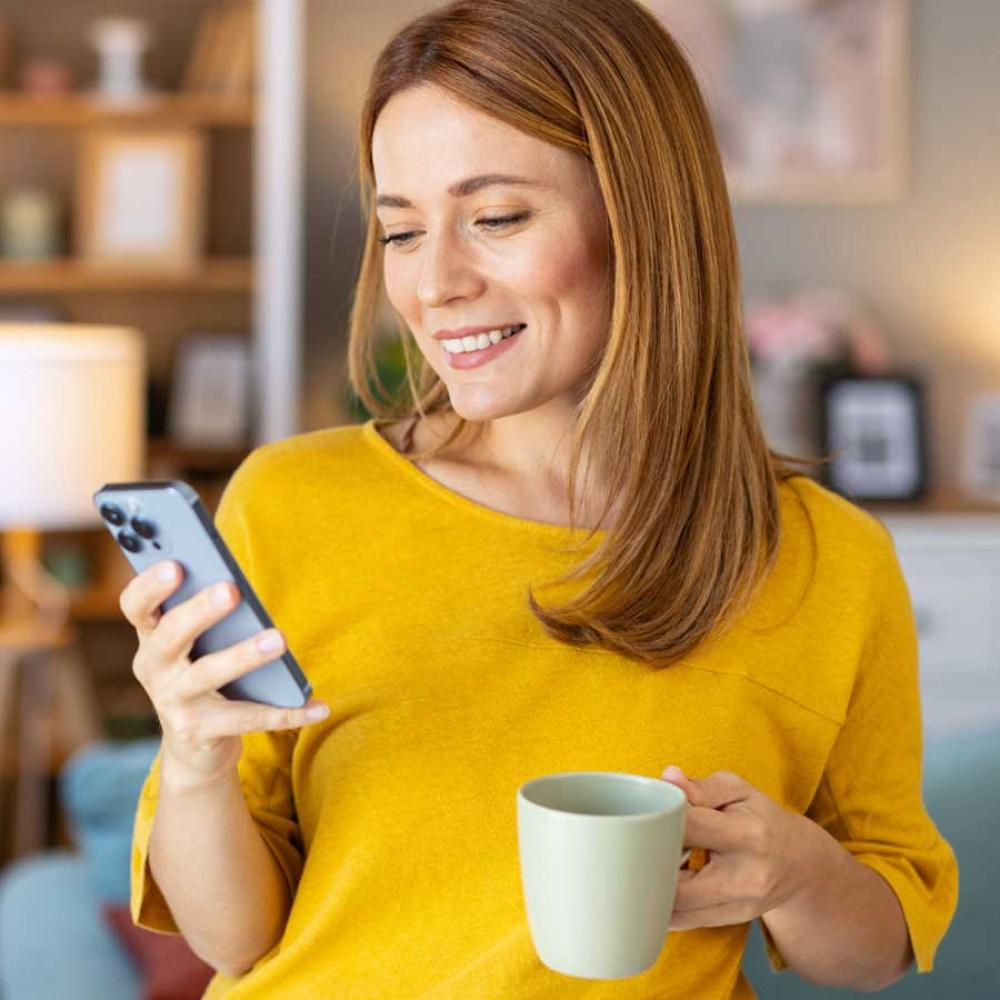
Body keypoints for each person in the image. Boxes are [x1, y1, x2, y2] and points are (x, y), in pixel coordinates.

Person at [119, 1, 958, 997]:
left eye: (496, 218)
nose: (433, 285)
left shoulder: (827, 559)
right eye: (400, 231)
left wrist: (795, 870)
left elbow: (872, 952)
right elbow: (235, 936)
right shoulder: (292, 501)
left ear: (642, 216)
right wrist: (196, 761)